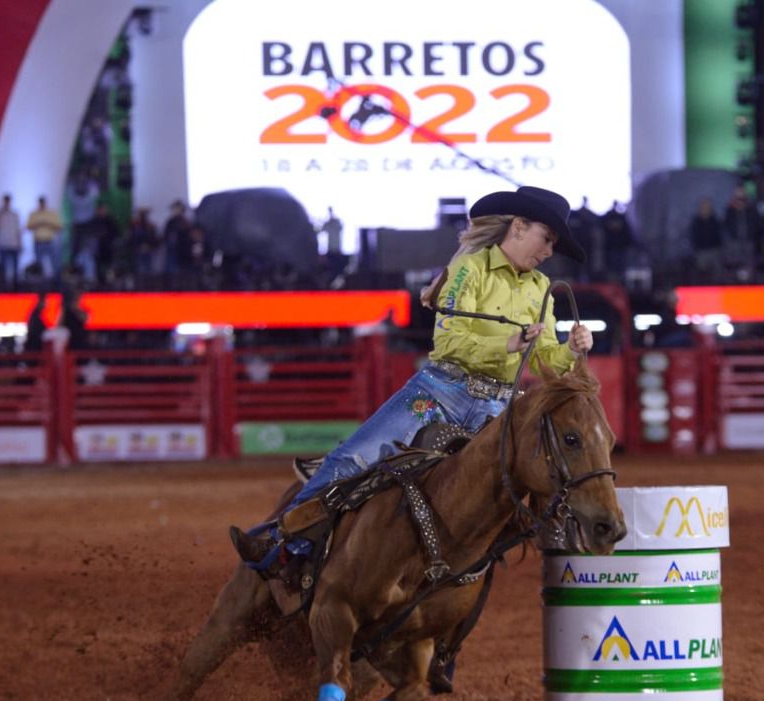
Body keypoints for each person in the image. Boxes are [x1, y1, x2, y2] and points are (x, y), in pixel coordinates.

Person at [254, 185, 593, 568]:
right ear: (518, 226)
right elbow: (449, 341)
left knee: (532, 479)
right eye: (546, 239)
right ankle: (281, 545)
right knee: (354, 459)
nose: (548, 252)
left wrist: (571, 349)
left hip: (498, 407)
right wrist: (510, 342)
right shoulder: (470, 268)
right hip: (443, 392)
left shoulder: (541, 288)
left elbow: (545, 360)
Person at [26, 196, 63, 279]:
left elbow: (59, 228)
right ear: (39, 203)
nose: (42, 204)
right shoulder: (34, 214)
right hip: (38, 242)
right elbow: (28, 227)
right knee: (39, 266)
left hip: (49, 241)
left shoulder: (51, 214)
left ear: (45, 203)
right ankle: (41, 286)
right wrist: (38, 224)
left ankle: (56, 285)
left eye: (43, 202)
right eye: (40, 202)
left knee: (55, 264)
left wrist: (48, 224)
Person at [0, 194, 22, 289]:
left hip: (14, 244)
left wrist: (20, 243)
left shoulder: (15, 214)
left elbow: (18, 230)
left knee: (15, 269)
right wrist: (0, 213)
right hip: (3, 244)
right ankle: (4, 288)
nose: (7, 203)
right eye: (5, 201)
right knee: (3, 268)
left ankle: (16, 288)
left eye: (8, 201)